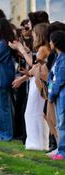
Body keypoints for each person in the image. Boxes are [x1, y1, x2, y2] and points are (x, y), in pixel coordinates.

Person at [10, 23, 50, 150]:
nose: (32, 35)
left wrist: (21, 49)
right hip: (35, 81)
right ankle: (39, 142)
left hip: (38, 83)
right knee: (35, 113)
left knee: (32, 113)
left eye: (34, 33)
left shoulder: (44, 48)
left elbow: (33, 64)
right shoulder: (42, 48)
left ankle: (36, 143)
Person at [49, 31, 65, 160]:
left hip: (61, 94)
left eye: (51, 41)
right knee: (60, 122)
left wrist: (52, 94)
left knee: (62, 123)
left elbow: (60, 79)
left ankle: (63, 151)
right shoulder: (58, 57)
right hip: (57, 94)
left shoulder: (63, 58)